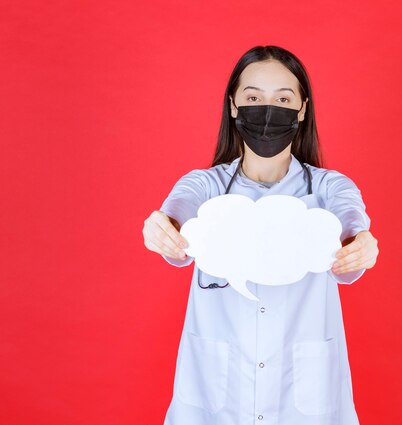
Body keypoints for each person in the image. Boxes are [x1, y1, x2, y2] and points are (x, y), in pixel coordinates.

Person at [142, 45, 379, 425]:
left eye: (283, 99)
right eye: (253, 97)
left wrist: (361, 243)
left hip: (303, 401)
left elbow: (351, 223)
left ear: (302, 109)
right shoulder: (205, 186)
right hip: (213, 397)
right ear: (234, 106)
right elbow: (176, 217)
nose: (267, 110)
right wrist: (161, 228)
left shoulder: (327, 188)